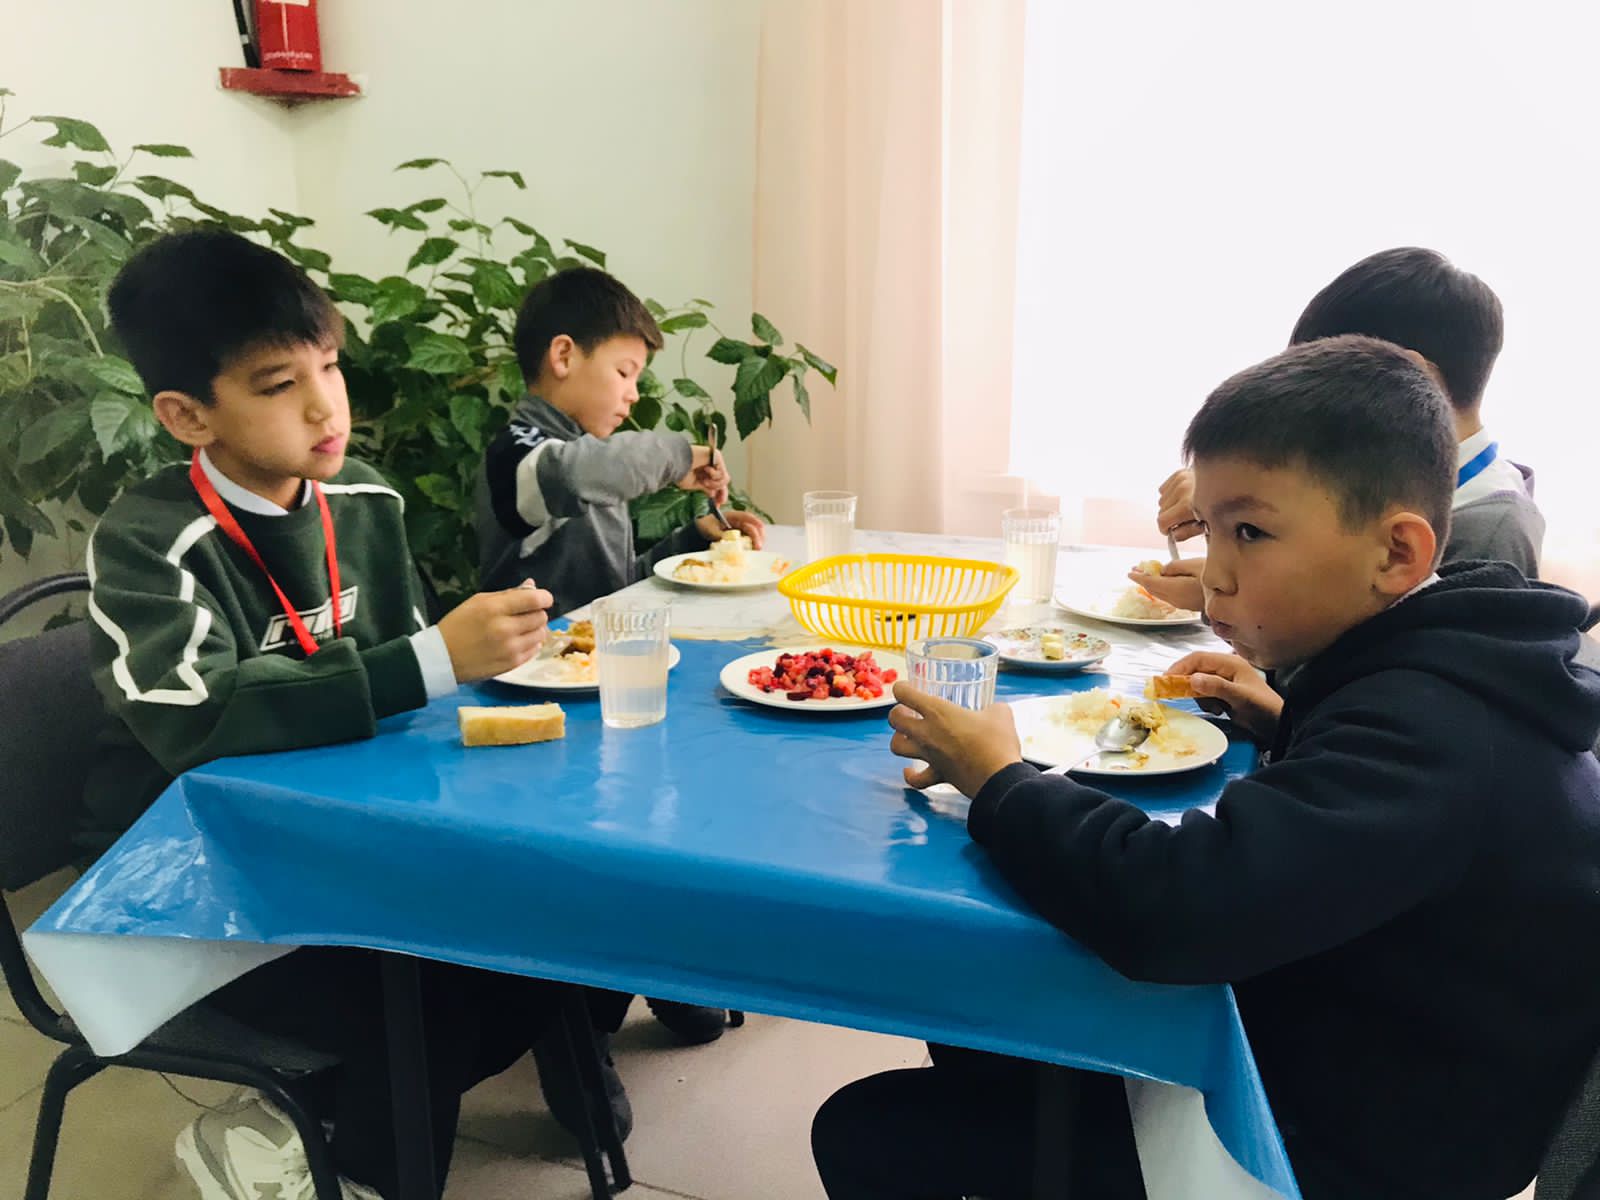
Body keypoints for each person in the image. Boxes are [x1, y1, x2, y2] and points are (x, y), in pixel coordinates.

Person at [814, 336, 1600, 1200]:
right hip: (1355, 1043)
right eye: (1214, 529)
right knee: (980, 1026)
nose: (1214, 575)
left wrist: (1000, 778)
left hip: (1338, 1145)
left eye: (1250, 533)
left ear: (1397, 554)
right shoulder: (1452, 665)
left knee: (866, 1128)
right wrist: (1290, 717)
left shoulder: (1428, 735)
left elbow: (1177, 906)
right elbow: (1376, 820)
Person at [90, 229, 596, 1199]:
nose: (327, 405)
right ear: (188, 415)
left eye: (329, 365)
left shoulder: (362, 498)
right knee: (423, 1000)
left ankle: (301, 1126)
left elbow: (409, 703)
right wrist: (433, 659)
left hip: (332, 842)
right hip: (191, 876)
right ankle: (350, 1165)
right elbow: (196, 720)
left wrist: (465, 672)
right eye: (280, 384)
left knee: (543, 939)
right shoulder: (152, 541)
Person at [1142, 247, 1543, 613]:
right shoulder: (1425, 483)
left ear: (1414, 377)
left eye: (1323, 382)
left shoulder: (1490, 532)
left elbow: (1383, 657)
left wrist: (1238, 599)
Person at [476, 265, 764, 614]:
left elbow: (616, 590)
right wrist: (680, 457)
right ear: (563, 356)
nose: (634, 394)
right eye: (624, 372)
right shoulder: (515, 453)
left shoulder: (591, 460)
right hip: (538, 650)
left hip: (597, 644)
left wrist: (694, 540)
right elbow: (577, 472)